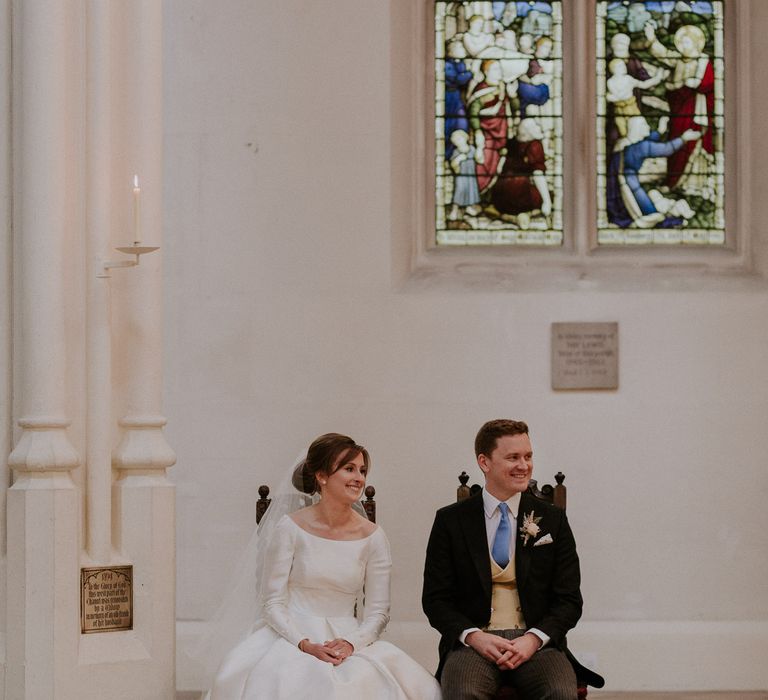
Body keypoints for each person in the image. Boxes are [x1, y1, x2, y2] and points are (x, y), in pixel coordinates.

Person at [205, 433, 442, 699]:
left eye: (362, 471)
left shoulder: (374, 536)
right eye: (349, 469)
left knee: (390, 685)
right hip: (290, 635)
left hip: (349, 637)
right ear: (322, 476)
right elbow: (272, 602)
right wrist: (305, 644)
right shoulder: (290, 528)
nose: (359, 478)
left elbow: (378, 612)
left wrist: (352, 644)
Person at [422, 419, 603, 700]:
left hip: (537, 643)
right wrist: (473, 636)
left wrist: (533, 639)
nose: (524, 465)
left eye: (528, 456)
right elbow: (435, 599)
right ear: (484, 462)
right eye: (513, 457)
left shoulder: (552, 520)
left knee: (559, 693)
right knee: (463, 693)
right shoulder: (450, 521)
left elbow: (569, 600)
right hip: (475, 644)